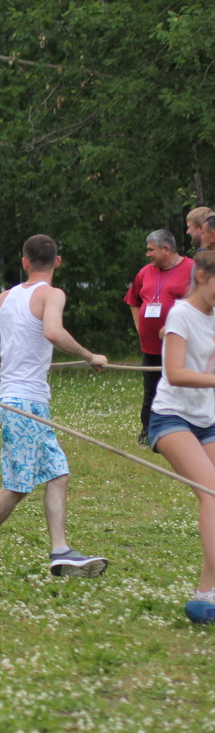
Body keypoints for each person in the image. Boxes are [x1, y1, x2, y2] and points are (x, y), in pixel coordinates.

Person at [0, 234, 109, 578]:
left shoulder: (4, 297)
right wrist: (89, 356)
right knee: (18, 485)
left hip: (28, 400)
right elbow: (53, 332)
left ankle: (60, 551)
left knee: (58, 472)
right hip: (22, 402)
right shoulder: (53, 294)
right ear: (57, 261)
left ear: (24, 262)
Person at [146, 250, 215, 625]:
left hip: (208, 419)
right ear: (202, 276)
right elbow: (174, 373)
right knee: (211, 493)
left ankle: (206, 596)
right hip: (172, 417)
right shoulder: (181, 314)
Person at [123, 230, 192, 446]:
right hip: (151, 346)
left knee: (181, 388)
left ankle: (184, 432)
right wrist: (138, 323)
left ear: (166, 249)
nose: (147, 254)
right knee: (151, 389)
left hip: (181, 346)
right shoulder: (145, 272)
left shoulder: (192, 269)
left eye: (151, 249)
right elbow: (132, 299)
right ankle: (148, 431)